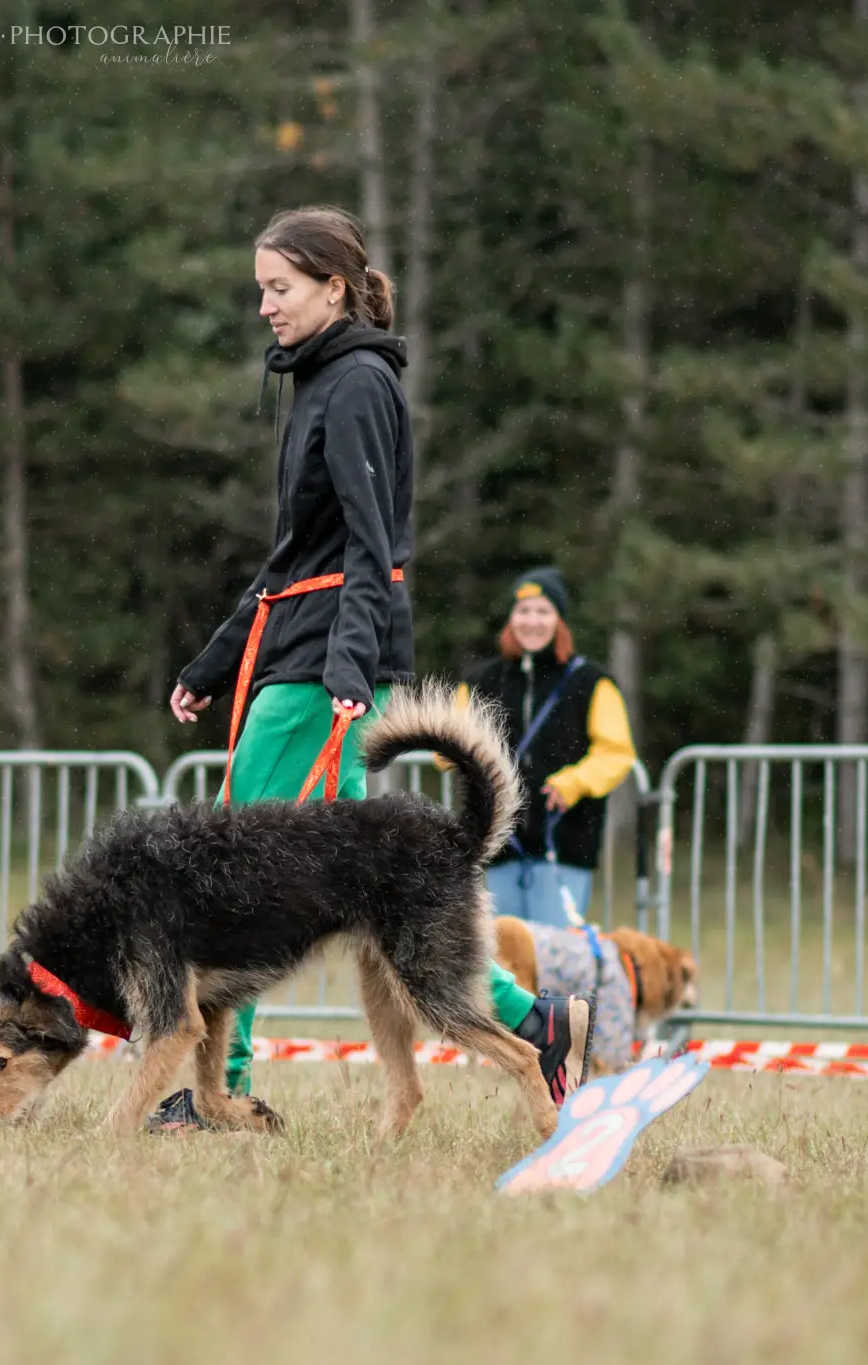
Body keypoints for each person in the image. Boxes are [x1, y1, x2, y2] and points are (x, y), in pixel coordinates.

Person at [167, 206, 591, 1121]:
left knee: (233, 875)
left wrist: (351, 671)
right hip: (305, 647)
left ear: (333, 286)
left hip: (324, 671)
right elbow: (294, 557)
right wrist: (212, 661)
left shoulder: (357, 382)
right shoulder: (318, 380)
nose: (266, 308)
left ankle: (221, 1092)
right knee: (388, 891)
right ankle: (540, 1024)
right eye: (260, 291)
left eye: (279, 289)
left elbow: (373, 547)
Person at [458, 568, 637, 927]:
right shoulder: (480, 682)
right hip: (497, 845)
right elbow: (448, 748)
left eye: (543, 611)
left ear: (560, 620)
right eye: (523, 611)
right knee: (504, 963)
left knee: (556, 962)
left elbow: (616, 752)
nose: (532, 621)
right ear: (510, 618)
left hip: (565, 845)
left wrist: (575, 782)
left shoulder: (591, 682)